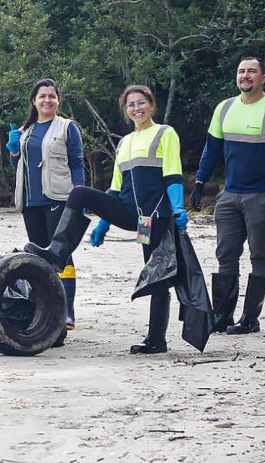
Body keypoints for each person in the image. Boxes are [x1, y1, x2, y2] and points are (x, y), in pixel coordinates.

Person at [24, 85, 188, 354]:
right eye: (131, 105)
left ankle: (156, 339)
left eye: (141, 103)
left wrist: (179, 208)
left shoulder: (164, 133)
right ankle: (57, 253)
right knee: (79, 195)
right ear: (126, 111)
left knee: (155, 273)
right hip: (127, 211)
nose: (137, 108)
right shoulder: (125, 142)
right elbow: (115, 187)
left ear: (152, 106)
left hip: (153, 217)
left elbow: (172, 175)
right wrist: (104, 222)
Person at [191, 57, 265, 334]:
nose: (245, 76)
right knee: (226, 255)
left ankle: (250, 319)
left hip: (262, 196)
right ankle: (222, 317)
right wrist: (200, 182)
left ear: (263, 77)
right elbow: (211, 149)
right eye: (241, 71)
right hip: (230, 196)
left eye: (252, 71)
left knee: (260, 256)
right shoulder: (224, 109)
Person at [7, 78, 85, 330]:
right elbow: (18, 168)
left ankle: (66, 312)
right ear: (34, 100)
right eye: (42, 96)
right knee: (39, 258)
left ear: (58, 100)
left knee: (61, 255)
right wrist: (13, 152)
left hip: (59, 199)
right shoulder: (24, 131)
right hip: (31, 202)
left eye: (52, 96)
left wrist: (80, 197)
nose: (47, 100)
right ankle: (44, 310)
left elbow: (76, 163)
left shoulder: (67, 127)